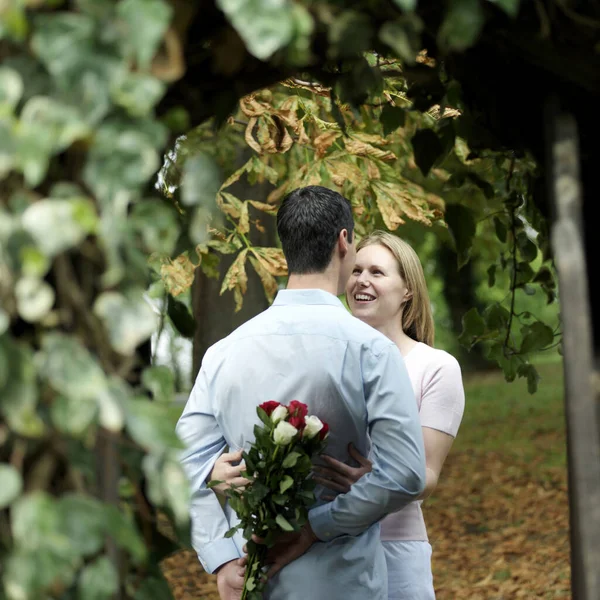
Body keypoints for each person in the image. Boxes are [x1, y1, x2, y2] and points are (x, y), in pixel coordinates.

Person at [176, 187, 426, 600]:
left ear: (285, 247)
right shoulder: (371, 349)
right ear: (344, 242)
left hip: (254, 577)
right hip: (346, 582)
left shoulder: (223, 352)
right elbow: (406, 473)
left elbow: (184, 465)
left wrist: (220, 556)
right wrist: (317, 526)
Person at [213, 230, 465, 599]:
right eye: (357, 269)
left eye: (377, 272)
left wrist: (380, 480)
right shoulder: (322, 355)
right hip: (314, 547)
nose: (362, 280)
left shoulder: (435, 366)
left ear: (408, 289)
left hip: (393, 541)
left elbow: (426, 474)